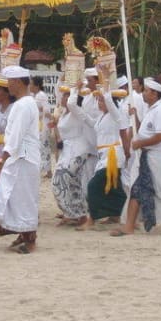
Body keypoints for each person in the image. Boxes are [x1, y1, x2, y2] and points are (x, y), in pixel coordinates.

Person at [111, 78, 161, 237]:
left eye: (146, 91)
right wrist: (135, 116)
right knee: (137, 188)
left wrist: (140, 143)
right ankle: (129, 225)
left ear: (154, 93)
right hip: (146, 156)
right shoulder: (151, 109)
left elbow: (160, 136)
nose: (143, 93)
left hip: (157, 157)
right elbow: (143, 130)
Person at [0, 65, 41, 253]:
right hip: (20, 156)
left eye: (10, 83)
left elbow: (15, 136)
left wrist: (2, 160)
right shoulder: (25, 103)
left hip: (23, 157)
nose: (8, 87)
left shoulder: (23, 105)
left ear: (19, 83)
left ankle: (30, 240)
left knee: (23, 198)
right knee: (12, 195)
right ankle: (22, 233)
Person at [78, 87, 129, 230]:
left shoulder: (116, 115)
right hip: (103, 155)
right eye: (98, 100)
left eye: (101, 100)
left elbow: (110, 103)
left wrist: (105, 90)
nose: (99, 103)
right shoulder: (101, 117)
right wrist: (77, 108)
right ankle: (117, 214)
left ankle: (92, 218)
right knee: (114, 189)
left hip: (113, 155)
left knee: (93, 186)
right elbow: (89, 121)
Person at [51, 88, 91, 226]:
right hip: (67, 150)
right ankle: (75, 214)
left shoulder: (76, 112)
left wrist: (75, 87)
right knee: (72, 183)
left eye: (66, 96)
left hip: (78, 149)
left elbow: (72, 103)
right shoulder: (64, 114)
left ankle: (75, 213)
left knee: (60, 179)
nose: (62, 98)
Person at [31, 77, 54, 178]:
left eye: (31, 84)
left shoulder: (41, 95)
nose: (30, 86)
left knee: (44, 147)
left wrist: (40, 112)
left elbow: (46, 110)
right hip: (37, 124)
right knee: (39, 147)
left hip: (43, 125)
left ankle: (48, 171)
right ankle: (45, 170)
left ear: (36, 85)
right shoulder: (33, 95)